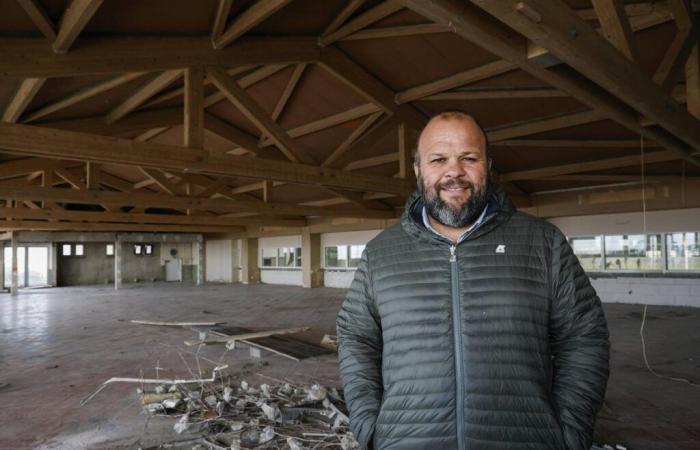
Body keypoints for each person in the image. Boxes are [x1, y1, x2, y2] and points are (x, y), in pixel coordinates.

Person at [336, 111, 610, 450]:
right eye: (439, 159)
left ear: (488, 166)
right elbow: (356, 338)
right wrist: (369, 425)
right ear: (418, 169)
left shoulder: (543, 243)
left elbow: (584, 335)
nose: (454, 171)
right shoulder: (381, 253)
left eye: (469, 158)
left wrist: (569, 432)